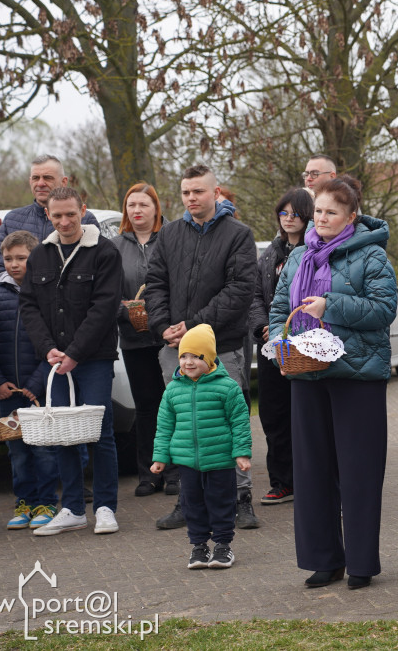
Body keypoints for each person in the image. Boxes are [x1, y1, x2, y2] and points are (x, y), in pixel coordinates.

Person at [269, 175, 397, 590]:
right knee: (311, 472)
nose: (322, 218)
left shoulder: (372, 256)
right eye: (318, 211)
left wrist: (332, 305)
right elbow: (277, 308)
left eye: (331, 212)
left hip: (356, 376)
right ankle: (324, 560)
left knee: (358, 472)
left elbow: (384, 309)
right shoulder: (297, 258)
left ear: (351, 216)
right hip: (305, 374)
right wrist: (277, 340)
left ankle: (360, 563)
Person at [145, 164, 259, 530]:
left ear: (216, 192)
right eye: (186, 192)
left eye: (199, 191)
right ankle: (188, 502)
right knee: (183, 422)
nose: (192, 198)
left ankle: (241, 499)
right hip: (173, 348)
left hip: (221, 347)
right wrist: (163, 326)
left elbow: (240, 290)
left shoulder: (238, 234)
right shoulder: (170, 234)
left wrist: (193, 328)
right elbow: (155, 282)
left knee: (225, 422)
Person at [19, 187, 123, 536]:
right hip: (55, 362)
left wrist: (75, 353)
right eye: (57, 215)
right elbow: (29, 307)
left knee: (100, 433)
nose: (64, 221)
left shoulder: (105, 253)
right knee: (63, 435)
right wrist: (48, 348)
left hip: (92, 359)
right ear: (47, 214)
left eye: (71, 214)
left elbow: (104, 308)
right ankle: (74, 509)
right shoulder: (39, 255)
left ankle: (106, 507)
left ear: (83, 211)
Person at [151, 324, 252, 570]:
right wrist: (160, 457)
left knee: (221, 501)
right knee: (191, 503)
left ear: (209, 358)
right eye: (184, 356)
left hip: (219, 459)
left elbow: (240, 422)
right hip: (187, 461)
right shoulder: (173, 390)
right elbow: (164, 426)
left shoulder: (227, 387)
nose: (188, 362)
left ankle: (222, 546)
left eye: (196, 356)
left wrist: (241, 452)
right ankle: (198, 547)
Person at [249, 187, 314, 505]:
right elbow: (255, 297)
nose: (289, 219)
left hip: (304, 347)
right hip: (272, 348)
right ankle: (281, 481)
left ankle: (309, 480)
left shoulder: (314, 251)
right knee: (273, 417)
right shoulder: (268, 254)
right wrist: (263, 327)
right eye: (283, 213)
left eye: (295, 214)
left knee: (303, 416)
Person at [0, 231, 60, 531]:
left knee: (43, 450)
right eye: (8, 259)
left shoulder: (47, 292)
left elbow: (57, 342)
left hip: (39, 389)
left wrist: (38, 381)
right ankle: (25, 502)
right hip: (7, 392)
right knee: (16, 451)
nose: (14, 264)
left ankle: (46, 502)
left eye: (21, 258)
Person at [111, 183, 170, 498]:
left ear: (156, 208)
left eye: (144, 205)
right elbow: (108, 293)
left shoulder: (172, 239)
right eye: (131, 205)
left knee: (174, 404)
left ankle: (175, 472)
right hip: (134, 339)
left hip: (170, 338)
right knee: (147, 408)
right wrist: (125, 310)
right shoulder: (115, 246)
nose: (137, 211)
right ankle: (149, 473)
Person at [0, 155, 100, 274]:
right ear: (30, 181)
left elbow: (96, 267)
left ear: (64, 182)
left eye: (47, 178)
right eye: (36, 178)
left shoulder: (86, 219)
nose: (40, 183)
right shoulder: (12, 220)